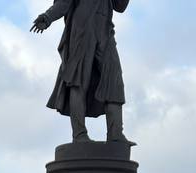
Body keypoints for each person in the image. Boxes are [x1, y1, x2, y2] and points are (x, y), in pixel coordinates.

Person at [31, 0, 133, 144]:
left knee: (114, 80)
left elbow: (120, 6)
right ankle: (79, 135)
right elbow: (63, 3)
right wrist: (47, 17)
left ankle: (115, 134)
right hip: (82, 27)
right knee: (78, 80)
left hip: (105, 30)